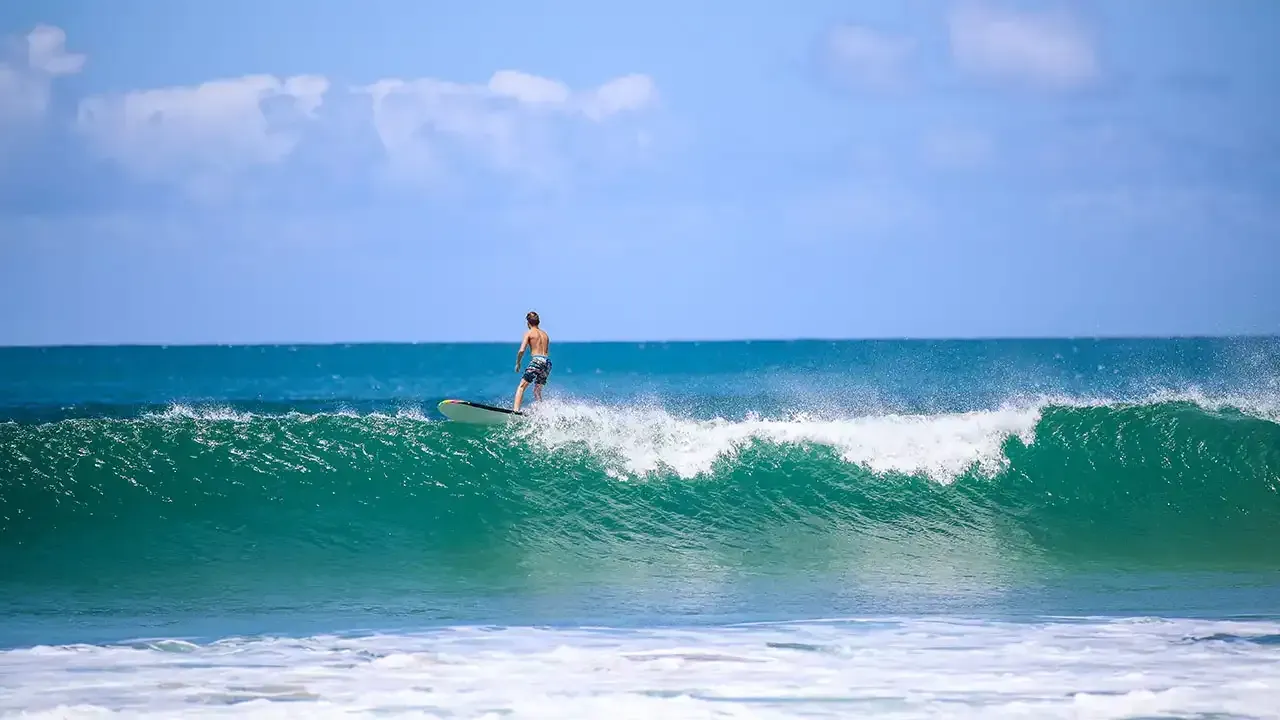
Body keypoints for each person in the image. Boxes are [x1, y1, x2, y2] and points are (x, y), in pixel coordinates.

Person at [513, 311, 551, 412]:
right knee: (537, 391)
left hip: (537, 360)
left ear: (528, 323)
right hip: (547, 363)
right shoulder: (545, 335)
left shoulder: (529, 333)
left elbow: (521, 350)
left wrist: (518, 363)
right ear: (538, 322)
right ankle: (543, 413)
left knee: (521, 387)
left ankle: (515, 411)